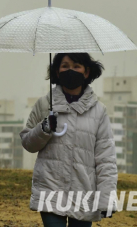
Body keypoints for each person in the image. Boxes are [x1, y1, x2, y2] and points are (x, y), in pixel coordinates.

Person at [21, 53, 118, 227]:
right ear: (57, 72)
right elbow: (28, 143)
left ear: (87, 72)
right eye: (65, 66)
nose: (70, 70)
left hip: (84, 192)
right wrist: (43, 129)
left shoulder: (99, 111)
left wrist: (107, 199)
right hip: (50, 190)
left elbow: (106, 159)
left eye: (76, 66)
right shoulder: (44, 105)